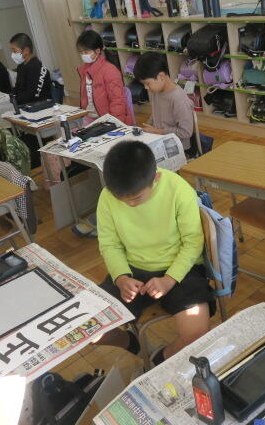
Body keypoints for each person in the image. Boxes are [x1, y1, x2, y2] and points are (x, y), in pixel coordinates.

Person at [93, 141, 211, 366]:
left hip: (180, 269)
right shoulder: (107, 196)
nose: (129, 204)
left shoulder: (178, 189)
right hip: (133, 270)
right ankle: (129, 342)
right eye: (121, 198)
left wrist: (169, 279)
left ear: (155, 178)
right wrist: (121, 277)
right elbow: (109, 244)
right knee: (87, 330)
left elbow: (193, 243)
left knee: (196, 333)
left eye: (136, 198)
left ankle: (159, 360)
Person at [133, 52, 194, 152]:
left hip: (177, 149)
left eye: (147, 83)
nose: (146, 87)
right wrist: (148, 127)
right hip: (160, 141)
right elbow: (156, 113)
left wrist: (157, 131)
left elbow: (186, 132)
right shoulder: (157, 91)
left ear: (161, 76)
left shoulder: (178, 98)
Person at [76, 30, 133, 126]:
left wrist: (114, 124)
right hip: (91, 118)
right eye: (81, 52)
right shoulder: (84, 70)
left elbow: (117, 102)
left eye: (86, 52)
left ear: (97, 51)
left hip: (108, 120)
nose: (83, 55)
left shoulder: (110, 71)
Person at [9, 33, 51, 105]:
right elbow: (18, 87)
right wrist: (10, 97)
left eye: (14, 51)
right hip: (24, 103)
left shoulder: (36, 67)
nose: (12, 54)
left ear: (26, 50)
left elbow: (33, 95)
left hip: (38, 105)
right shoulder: (21, 67)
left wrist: (16, 101)